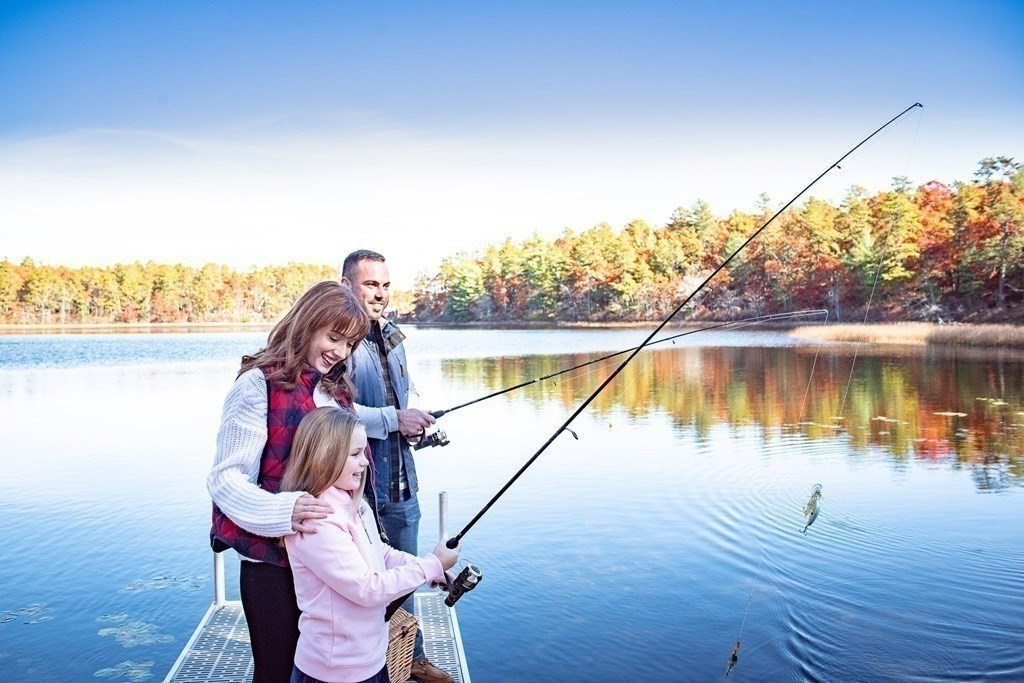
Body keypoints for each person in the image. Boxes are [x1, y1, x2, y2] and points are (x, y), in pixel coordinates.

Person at [207, 281, 370, 683]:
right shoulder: (257, 385)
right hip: (271, 565)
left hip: (328, 565)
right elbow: (226, 480)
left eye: (350, 344)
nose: (340, 353)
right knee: (277, 673)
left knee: (324, 672)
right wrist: (285, 510)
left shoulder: (336, 393)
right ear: (306, 325)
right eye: (334, 337)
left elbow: (348, 479)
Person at [282, 406, 461, 683]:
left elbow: (382, 554)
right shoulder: (318, 521)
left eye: (363, 452)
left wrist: (430, 569)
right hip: (334, 672)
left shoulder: (354, 504)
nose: (365, 461)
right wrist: (431, 565)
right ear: (323, 458)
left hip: (372, 659)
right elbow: (367, 588)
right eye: (354, 454)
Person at [341, 250, 451, 683]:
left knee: (406, 575)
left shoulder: (394, 337)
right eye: (371, 284)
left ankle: (412, 658)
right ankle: (373, 665)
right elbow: (333, 411)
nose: (380, 294)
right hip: (360, 487)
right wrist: (392, 420)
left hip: (403, 482)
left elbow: (399, 404)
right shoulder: (339, 341)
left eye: (386, 285)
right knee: (366, 583)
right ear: (347, 285)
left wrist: (415, 425)